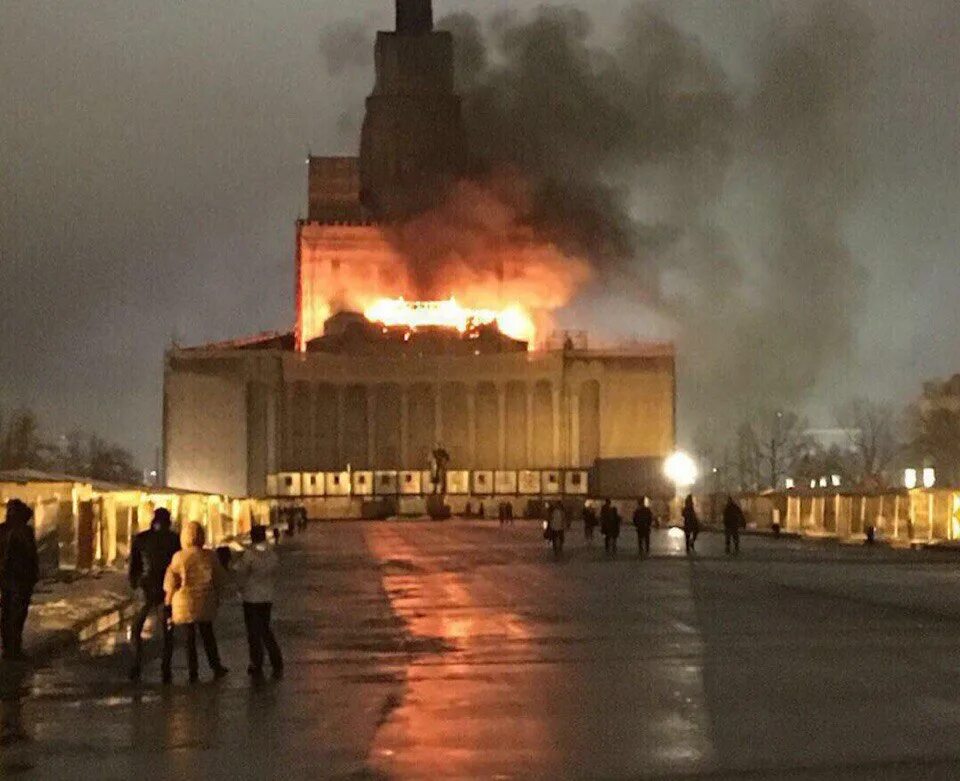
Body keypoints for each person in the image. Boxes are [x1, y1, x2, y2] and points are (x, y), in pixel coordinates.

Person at [163, 521, 229, 683]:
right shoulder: (210, 556)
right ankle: (216, 666)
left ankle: (193, 670)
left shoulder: (179, 557)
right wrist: (219, 596)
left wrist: (168, 603)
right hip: (205, 601)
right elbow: (220, 579)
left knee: (189, 639)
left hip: (184, 603)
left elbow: (171, 583)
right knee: (208, 635)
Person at [127, 508, 180, 682]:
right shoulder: (174, 539)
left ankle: (136, 664)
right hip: (166, 589)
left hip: (145, 588)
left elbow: (134, 565)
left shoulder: (141, 539)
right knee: (167, 631)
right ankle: (166, 667)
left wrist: (134, 582)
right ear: (168, 521)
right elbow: (177, 566)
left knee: (136, 629)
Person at [235, 526, 284, 680]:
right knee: (265, 629)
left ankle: (256, 662)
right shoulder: (272, 554)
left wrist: (239, 589)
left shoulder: (249, 555)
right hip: (267, 597)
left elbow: (242, 573)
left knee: (253, 633)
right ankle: (276, 659)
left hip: (251, 598)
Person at [0, 500, 39, 661]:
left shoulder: (5, 530)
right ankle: (12, 648)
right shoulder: (22, 532)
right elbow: (30, 556)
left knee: (10, 612)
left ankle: (11, 647)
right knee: (14, 613)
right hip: (17, 578)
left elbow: (32, 556)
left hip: (14, 578)